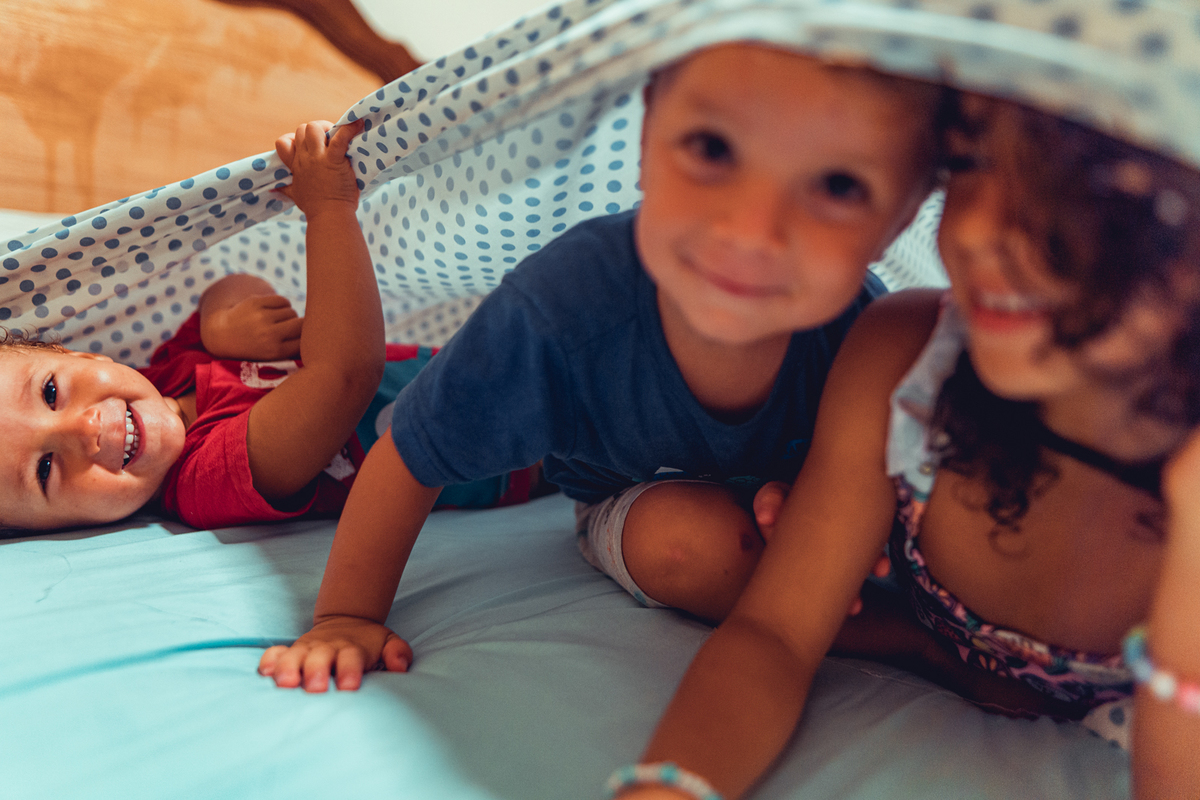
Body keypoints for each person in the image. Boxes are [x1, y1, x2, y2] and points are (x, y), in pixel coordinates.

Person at [256, 41, 944, 692]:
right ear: (645, 141)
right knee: (687, 545)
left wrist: (806, 503)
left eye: (838, 185)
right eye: (712, 148)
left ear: (900, 218)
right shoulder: (562, 304)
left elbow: (874, 485)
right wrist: (345, 617)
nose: (752, 230)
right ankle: (914, 644)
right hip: (631, 495)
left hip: (797, 498)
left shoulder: (868, 334)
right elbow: (409, 454)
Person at [608, 92, 1200, 800]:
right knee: (678, 540)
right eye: (966, 161)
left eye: (1068, 186)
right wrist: (665, 789)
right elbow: (774, 634)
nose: (977, 227)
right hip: (900, 613)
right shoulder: (908, 359)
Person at [0, 119, 538, 532]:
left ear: (78, 355)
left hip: (500, 364)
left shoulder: (174, 369)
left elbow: (236, 283)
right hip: (526, 451)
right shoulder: (207, 481)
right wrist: (328, 212)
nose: (84, 431)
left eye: (51, 392)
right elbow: (345, 376)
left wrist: (223, 321)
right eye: (45, 471)